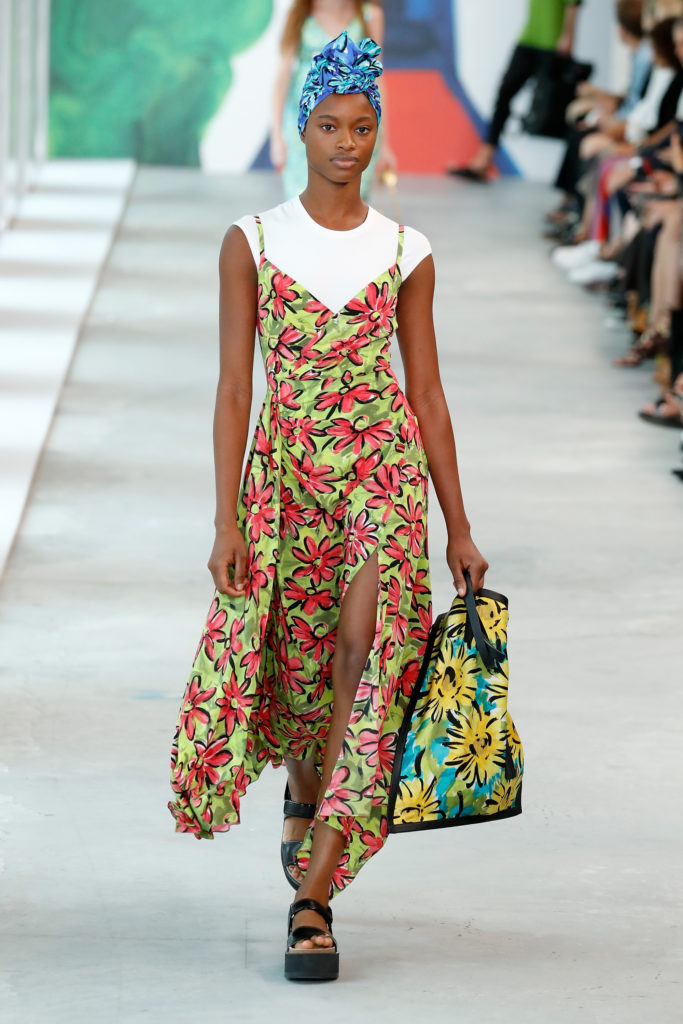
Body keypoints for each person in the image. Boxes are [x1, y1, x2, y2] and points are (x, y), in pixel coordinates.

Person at [168, 31, 488, 982]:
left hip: (381, 477)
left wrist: (459, 525)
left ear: (379, 133)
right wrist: (224, 519)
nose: (347, 142)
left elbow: (425, 395)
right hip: (285, 482)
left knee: (365, 653)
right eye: (329, 125)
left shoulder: (405, 248)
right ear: (299, 130)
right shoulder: (252, 242)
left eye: (362, 126)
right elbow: (234, 390)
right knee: (300, 666)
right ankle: (306, 796)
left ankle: (314, 899)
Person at [271, 0, 395, 199]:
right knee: (303, 200)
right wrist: (277, 136)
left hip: (355, 125)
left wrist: (386, 142)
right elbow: (283, 76)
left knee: (350, 201)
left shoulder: (370, 15)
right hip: (304, 126)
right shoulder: (299, 13)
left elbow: (378, 77)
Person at [449, 0, 583, 182]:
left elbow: (573, 4)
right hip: (529, 36)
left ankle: (573, 178)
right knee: (504, 94)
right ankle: (484, 158)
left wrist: (568, 37)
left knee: (558, 111)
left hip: (553, 41)